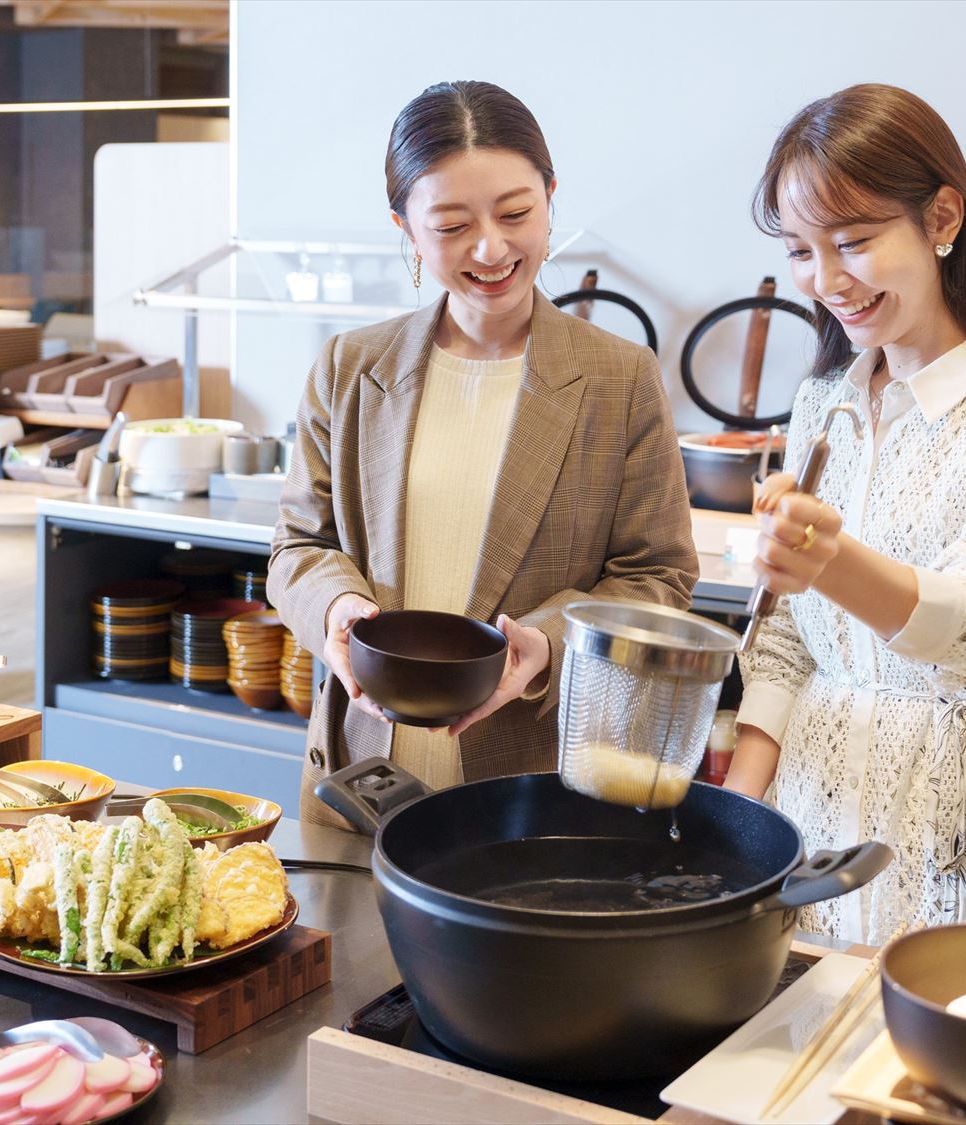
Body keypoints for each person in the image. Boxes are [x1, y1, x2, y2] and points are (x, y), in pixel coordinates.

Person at [722, 84, 966, 944]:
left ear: (941, 219)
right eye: (800, 250)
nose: (826, 282)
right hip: (818, 807)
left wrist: (831, 560)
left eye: (854, 241)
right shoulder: (824, 401)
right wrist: (736, 819)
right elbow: (786, 633)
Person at [272, 80, 697, 828]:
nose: (491, 248)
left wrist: (550, 644)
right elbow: (298, 546)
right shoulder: (350, 368)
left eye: (516, 213)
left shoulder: (618, 378)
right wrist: (337, 607)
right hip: (358, 781)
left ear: (551, 196)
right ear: (405, 226)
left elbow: (657, 574)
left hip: (536, 790)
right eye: (451, 224)